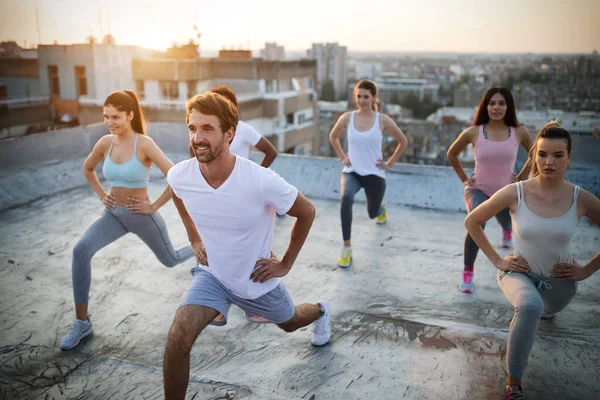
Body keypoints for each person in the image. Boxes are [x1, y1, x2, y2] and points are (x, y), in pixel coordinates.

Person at [163, 92, 331, 400]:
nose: (197, 138)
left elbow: (306, 211)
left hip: (256, 280)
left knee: (291, 322)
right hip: (212, 275)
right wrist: (194, 237)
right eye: (192, 128)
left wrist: (285, 264)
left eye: (207, 129)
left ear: (229, 134)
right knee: (178, 338)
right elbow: (176, 192)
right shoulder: (181, 175)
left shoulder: (261, 180)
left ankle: (321, 311)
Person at [464, 122, 600, 400]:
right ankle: (513, 383)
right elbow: (472, 220)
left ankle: (545, 311)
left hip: (560, 285)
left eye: (558, 155)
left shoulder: (580, 198)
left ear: (568, 157)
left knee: (542, 308)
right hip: (519, 274)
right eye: (542, 154)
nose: (549, 162)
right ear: (534, 156)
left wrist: (586, 270)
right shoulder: (517, 192)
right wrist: (497, 260)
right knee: (529, 305)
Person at [60, 91, 194, 350]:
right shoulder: (105, 142)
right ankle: (81, 322)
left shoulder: (144, 144)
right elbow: (87, 168)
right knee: (80, 251)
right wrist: (102, 195)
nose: (110, 122)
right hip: (113, 215)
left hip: (141, 217)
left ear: (131, 115)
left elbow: (176, 177)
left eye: (117, 117)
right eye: (106, 116)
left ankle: (204, 249)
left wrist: (153, 205)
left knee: (171, 259)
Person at [447, 87, 534, 293]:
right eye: (492, 103)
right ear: (485, 106)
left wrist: (521, 177)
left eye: (501, 103)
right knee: (477, 222)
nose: (496, 107)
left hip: (506, 192)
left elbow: (534, 153)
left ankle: (505, 231)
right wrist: (464, 178)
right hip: (478, 189)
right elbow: (452, 153)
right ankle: (468, 271)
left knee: (506, 221)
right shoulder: (474, 132)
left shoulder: (519, 132)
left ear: (508, 107)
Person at [329, 79, 408, 268]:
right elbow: (333, 136)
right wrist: (342, 157)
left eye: (366, 97)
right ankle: (346, 248)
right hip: (353, 171)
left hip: (375, 173)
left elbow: (403, 141)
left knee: (372, 213)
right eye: (359, 96)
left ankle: (381, 209)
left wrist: (389, 163)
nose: (362, 100)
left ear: (373, 98)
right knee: (346, 198)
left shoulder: (383, 120)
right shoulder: (348, 117)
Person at [187, 85, 278, 167]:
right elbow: (193, 148)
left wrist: (255, 176)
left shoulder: (243, 129)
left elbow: (271, 152)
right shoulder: (200, 135)